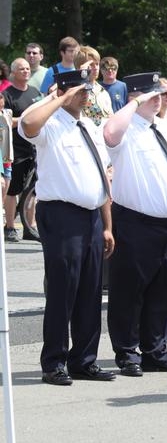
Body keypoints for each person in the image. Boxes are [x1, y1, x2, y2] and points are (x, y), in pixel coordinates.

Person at [103, 71, 167, 377]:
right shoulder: (125, 129)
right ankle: (127, 352)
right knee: (129, 290)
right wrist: (135, 104)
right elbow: (108, 133)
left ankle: (155, 350)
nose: (159, 99)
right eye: (152, 94)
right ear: (135, 97)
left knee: (162, 290)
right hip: (136, 222)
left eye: (161, 94)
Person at [19, 69, 115, 385]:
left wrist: (107, 225)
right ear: (63, 91)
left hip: (91, 216)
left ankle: (84, 359)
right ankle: (54, 361)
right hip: (61, 216)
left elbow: (101, 177)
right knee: (64, 290)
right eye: (80, 90)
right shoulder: (50, 124)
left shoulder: (88, 126)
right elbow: (27, 125)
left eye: (88, 90)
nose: (86, 95)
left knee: (90, 291)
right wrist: (57, 98)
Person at [3, 57, 42, 242]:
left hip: (34, 148)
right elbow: (6, 121)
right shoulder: (7, 94)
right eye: (22, 69)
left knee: (34, 189)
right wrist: (26, 121)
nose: (26, 71)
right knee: (13, 190)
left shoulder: (35, 92)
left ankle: (29, 226)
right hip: (16, 148)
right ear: (13, 73)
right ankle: (10, 226)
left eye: (27, 68)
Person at [73, 46, 113, 127]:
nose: (96, 68)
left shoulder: (102, 91)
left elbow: (111, 118)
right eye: (91, 64)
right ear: (79, 67)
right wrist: (82, 76)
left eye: (97, 64)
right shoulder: (74, 91)